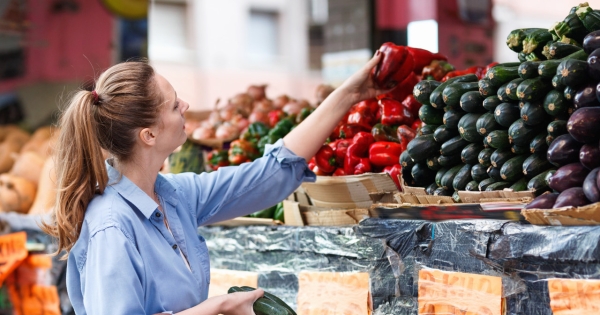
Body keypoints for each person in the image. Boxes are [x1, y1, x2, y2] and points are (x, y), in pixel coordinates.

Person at [42, 51, 386, 315]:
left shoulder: (171, 195)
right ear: (149, 134)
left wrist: (349, 95)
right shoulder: (112, 227)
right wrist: (216, 307)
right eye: (175, 105)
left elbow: (267, 176)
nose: (187, 106)